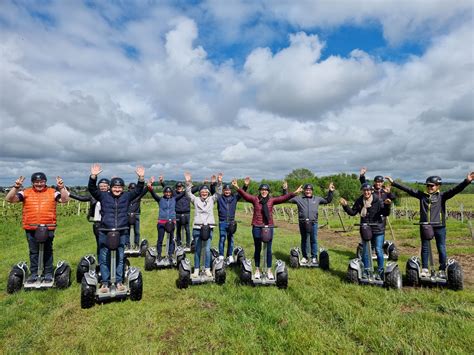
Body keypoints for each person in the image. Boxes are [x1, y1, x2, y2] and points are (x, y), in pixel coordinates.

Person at [386, 172, 474, 277]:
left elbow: (456, 189)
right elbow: (408, 189)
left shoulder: (442, 196)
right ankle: (425, 268)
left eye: (431, 185)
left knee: (441, 247)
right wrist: (394, 183)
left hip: (439, 226)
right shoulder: (422, 196)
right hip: (426, 226)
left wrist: (467, 181)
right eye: (427, 185)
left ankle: (442, 269)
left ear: (438, 186)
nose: (429, 187)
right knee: (425, 247)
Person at [88, 163, 145, 293]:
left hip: (122, 230)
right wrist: (93, 176)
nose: (117, 189)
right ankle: (105, 283)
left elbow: (138, 191)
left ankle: (119, 281)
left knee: (120, 257)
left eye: (119, 187)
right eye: (115, 187)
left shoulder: (126, 196)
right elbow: (91, 189)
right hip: (105, 231)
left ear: (122, 188)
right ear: (110, 187)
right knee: (103, 257)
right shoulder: (103, 196)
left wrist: (141, 179)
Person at [5, 172, 70, 283]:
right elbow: (9, 199)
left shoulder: (52, 192)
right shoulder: (25, 192)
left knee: (48, 250)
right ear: (32, 182)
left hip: (48, 226)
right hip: (31, 227)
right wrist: (16, 187)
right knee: (34, 251)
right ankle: (34, 273)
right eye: (36, 182)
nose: (39, 184)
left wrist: (61, 187)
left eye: (42, 182)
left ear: (45, 182)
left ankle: (48, 273)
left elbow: (65, 199)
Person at [232, 179, 302, 280]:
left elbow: (283, 198)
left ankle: (269, 270)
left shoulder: (272, 200)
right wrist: (237, 187)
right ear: (260, 191)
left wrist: (294, 193)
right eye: (262, 190)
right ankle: (257, 269)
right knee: (257, 249)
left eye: (265, 190)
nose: (264, 191)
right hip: (257, 226)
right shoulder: (255, 199)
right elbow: (245, 195)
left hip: (268, 227)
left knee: (268, 250)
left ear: (268, 191)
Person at [340, 183, 392, 279]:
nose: (366, 192)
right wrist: (345, 206)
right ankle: (366, 270)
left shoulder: (378, 200)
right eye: (364, 190)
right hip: (365, 228)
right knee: (366, 250)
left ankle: (380, 271)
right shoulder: (359, 201)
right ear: (362, 191)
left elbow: (385, 213)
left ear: (371, 191)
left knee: (378, 249)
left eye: (368, 190)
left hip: (378, 228)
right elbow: (352, 212)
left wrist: (387, 205)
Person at [285, 181, 335, 264]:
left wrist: (330, 191)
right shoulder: (299, 198)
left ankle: (314, 257)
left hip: (313, 223)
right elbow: (287, 199)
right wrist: (285, 190)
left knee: (314, 240)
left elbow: (328, 200)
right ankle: (304, 257)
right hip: (302, 222)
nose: (308, 191)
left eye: (309, 190)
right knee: (304, 239)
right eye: (306, 190)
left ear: (312, 191)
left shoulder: (317, 198)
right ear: (304, 191)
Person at [184, 172, 222, 278]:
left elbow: (219, 193)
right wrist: (188, 182)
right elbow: (188, 194)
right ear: (200, 193)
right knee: (197, 249)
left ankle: (207, 269)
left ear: (208, 193)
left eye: (206, 192)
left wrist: (219, 183)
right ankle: (196, 269)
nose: (204, 193)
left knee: (207, 249)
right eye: (202, 192)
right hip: (197, 227)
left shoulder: (211, 200)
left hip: (209, 227)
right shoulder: (195, 200)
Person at [159, 176, 208, 248]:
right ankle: (179, 243)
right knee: (178, 229)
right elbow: (167, 188)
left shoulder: (187, 193)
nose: (179, 188)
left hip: (186, 213)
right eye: (178, 187)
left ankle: (188, 244)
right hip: (177, 213)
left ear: (182, 187)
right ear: (176, 187)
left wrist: (203, 183)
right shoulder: (174, 193)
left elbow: (197, 188)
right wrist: (162, 182)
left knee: (187, 229)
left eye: (180, 187)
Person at [359, 168, 396, 256]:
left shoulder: (385, 191)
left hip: (382, 215)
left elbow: (393, 198)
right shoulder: (372, 190)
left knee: (380, 233)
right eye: (377, 182)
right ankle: (371, 249)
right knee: (370, 232)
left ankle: (379, 249)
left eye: (380, 182)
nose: (378, 183)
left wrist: (389, 193)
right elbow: (364, 184)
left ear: (382, 183)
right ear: (374, 182)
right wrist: (362, 176)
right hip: (372, 214)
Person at [68, 178, 110, 256]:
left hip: (109, 223)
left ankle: (111, 261)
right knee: (100, 244)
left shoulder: (112, 196)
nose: (103, 187)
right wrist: (68, 193)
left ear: (108, 187)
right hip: (98, 223)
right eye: (101, 186)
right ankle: (101, 263)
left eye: (105, 186)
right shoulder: (94, 196)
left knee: (110, 244)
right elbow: (81, 198)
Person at [147, 177, 186, 260]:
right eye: (166, 192)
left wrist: (188, 183)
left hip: (171, 222)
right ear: (164, 192)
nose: (168, 194)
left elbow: (183, 193)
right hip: (161, 222)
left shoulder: (174, 199)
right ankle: (159, 254)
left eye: (169, 192)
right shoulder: (160, 199)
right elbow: (153, 193)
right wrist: (150, 186)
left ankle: (170, 254)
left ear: (171, 193)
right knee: (160, 240)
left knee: (171, 240)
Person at [216, 177, 249, 261]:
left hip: (231, 222)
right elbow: (214, 190)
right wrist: (218, 182)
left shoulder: (234, 197)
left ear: (231, 191)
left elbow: (242, 193)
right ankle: (221, 255)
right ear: (223, 191)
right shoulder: (219, 198)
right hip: (222, 222)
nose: (227, 191)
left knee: (231, 239)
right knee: (222, 239)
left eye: (229, 190)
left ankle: (230, 255)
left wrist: (245, 186)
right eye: (225, 190)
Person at [126, 182, 149, 249]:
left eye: (134, 188)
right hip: (127, 215)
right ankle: (127, 245)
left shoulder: (138, 195)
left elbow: (144, 191)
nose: (132, 190)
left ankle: (137, 245)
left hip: (136, 214)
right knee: (127, 231)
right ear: (128, 189)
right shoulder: (126, 196)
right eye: (131, 188)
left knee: (137, 231)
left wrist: (148, 185)